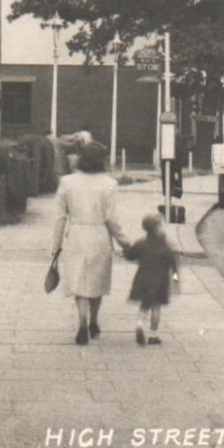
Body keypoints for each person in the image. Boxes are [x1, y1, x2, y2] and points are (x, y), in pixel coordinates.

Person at [49, 142, 128, 344]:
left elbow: (59, 217)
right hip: (99, 236)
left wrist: (56, 245)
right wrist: (124, 242)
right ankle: (94, 320)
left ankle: (82, 321)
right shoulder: (109, 184)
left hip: (76, 236)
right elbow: (112, 219)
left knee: (79, 280)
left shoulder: (67, 182)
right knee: (96, 281)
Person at [123, 212, 179, 346]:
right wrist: (176, 279)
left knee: (144, 304)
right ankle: (154, 335)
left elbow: (130, 255)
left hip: (143, 279)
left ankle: (140, 323)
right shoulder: (165, 246)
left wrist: (126, 248)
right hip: (160, 282)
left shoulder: (141, 244)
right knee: (156, 307)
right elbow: (173, 265)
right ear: (158, 228)